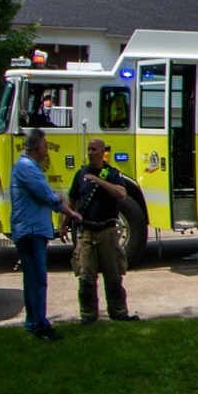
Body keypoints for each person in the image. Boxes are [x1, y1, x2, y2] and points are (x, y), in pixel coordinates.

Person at [68, 138, 139, 324]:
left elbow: (122, 194)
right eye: (89, 149)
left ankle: (119, 313)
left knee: (114, 276)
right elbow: (72, 200)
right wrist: (62, 224)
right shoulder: (80, 174)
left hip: (107, 232)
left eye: (94, 149)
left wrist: (100, 182)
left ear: (102, 152)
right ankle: (88, 316)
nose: (90, 152)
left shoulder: (112, 174)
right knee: (85, 278)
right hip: (86, 233)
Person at [10, 129, 67, 342]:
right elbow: (45, 195)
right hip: (31, 231)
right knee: (37, 280)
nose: (46, 149)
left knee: (33, 279)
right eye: (45, 145)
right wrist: (67, 209)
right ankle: (39, 325)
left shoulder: (27, 166)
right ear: (37, 147)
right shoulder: (27, 167)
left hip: (31, 230)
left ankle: (33, 322)